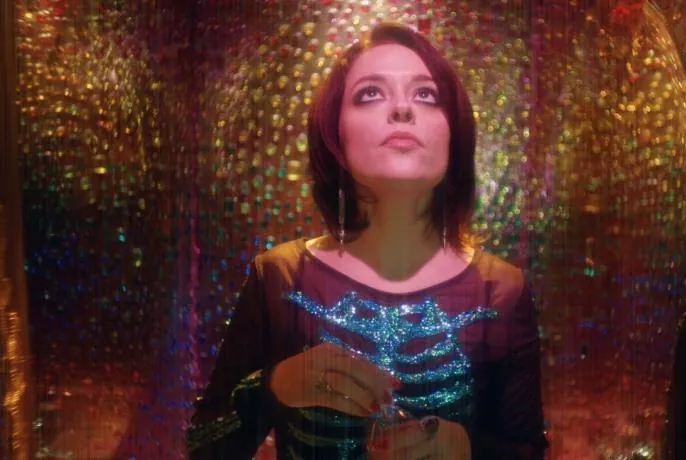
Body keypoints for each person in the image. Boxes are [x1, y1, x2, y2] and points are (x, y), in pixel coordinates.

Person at [187, 22, 548, 460]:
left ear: (454, 133)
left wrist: (467, 449)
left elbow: (531, 451)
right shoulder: (280, 277)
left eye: (426, 95)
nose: (402, 109)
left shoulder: (501, 291)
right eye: (370, 93)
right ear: (334, 133)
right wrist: (274, 386)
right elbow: (203, 445)